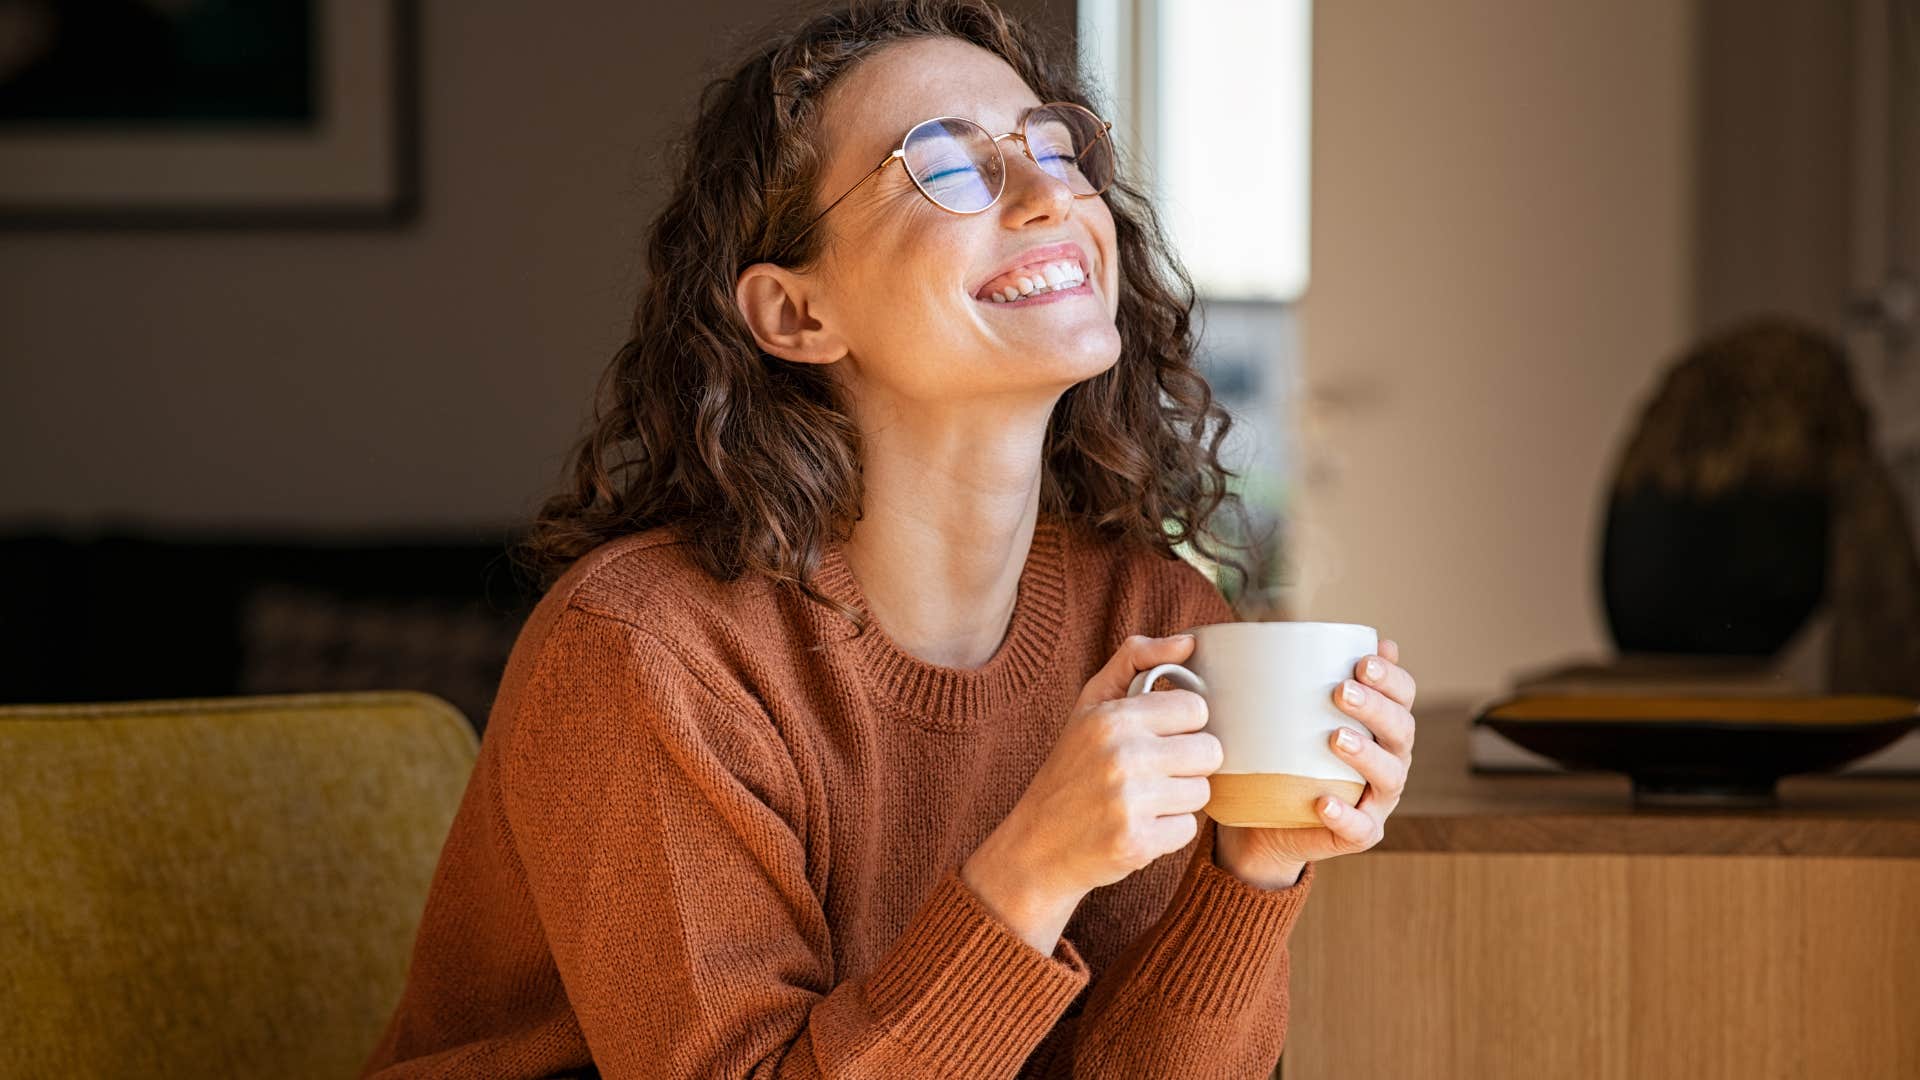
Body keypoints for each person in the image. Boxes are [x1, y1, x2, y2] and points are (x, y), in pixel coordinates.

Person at [360, 1, 1417, 1076]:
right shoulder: (648, 651)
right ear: (795, 316)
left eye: (1056, 146)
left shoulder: (1153, 623)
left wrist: (1253, 873)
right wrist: (1031, 870)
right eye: (946, 168)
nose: (1053, 191)